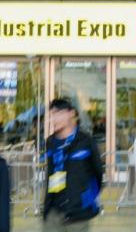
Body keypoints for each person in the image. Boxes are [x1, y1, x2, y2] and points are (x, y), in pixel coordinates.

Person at [42, 98, 103, 231]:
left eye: (59, 113)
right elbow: (51, 174)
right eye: (52, 114)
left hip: (78, 215)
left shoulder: (85, 141)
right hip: (54, 213)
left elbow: (98, 174)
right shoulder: (50, 142)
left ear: (71, 113)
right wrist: (47, 208)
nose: (54, 118)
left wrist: (85, 199)